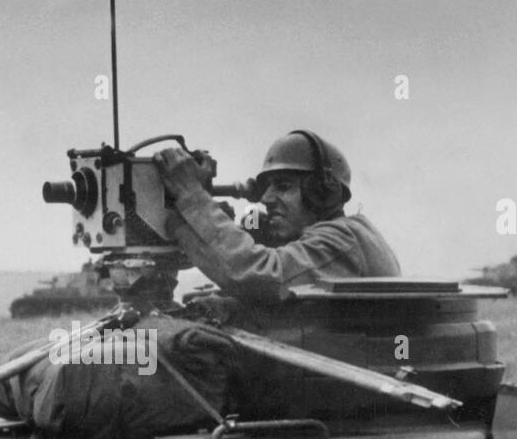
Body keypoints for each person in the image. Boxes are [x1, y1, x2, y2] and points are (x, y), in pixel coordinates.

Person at [153, 130, 400, 307]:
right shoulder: (335, 239)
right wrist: (186, 229)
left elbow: (259, 277)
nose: (266, 199)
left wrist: (193, 197)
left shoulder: (342, 239)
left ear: (322, 193)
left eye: (283, 186)